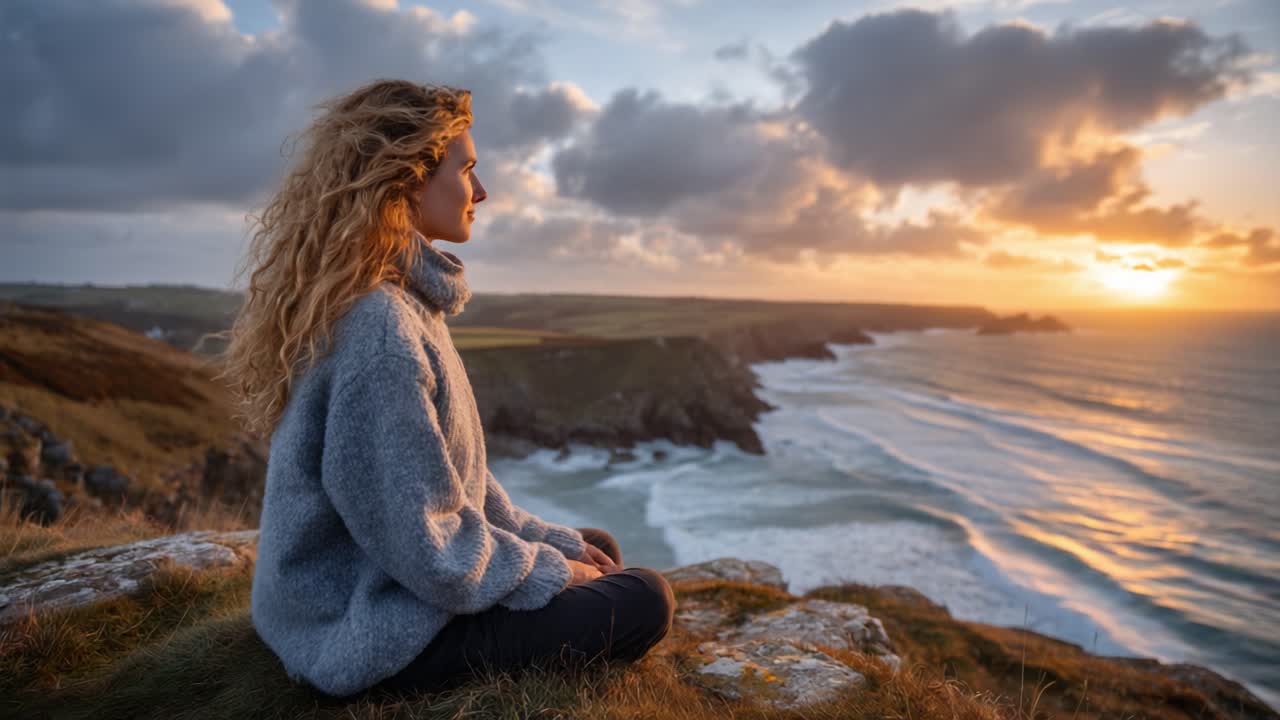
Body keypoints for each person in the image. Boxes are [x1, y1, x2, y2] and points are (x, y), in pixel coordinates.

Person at [215, 78, 675, 700]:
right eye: (468, 171)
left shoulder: (403, 302)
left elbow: (462, 491)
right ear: (407, 179)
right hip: (362, 633)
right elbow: (431, 548)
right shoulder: (381, 329)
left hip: (372, 590)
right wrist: (552, 571)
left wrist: (563, 551)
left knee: (598, 548)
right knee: (645, 597)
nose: (481, 192)